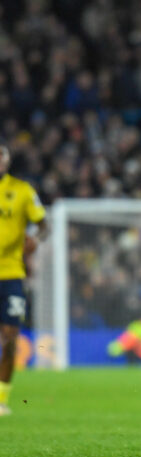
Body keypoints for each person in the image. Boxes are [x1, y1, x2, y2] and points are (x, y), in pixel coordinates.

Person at [0, 144, 47, 416]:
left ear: (7, 160)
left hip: (12, 275)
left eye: (1, 156)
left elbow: (44, 225)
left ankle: (2, 398)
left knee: (10, 337)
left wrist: (34, 241)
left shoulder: (22, 190)